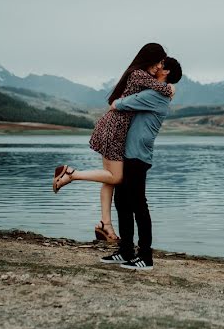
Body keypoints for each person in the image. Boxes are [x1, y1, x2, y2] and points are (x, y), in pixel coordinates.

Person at [53, 43, 174, 243]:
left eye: (162, 63)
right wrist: (171, 87)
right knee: (116, 178)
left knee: (108, 178)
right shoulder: (138, 74)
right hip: (115, 129)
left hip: (113, 126)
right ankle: (71, 174)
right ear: (150, 58)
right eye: (159, 61)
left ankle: (105, 226)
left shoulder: (137, 74)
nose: (160, 66)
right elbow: (162, 88)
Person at [100, 56, 182, 270]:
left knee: (138, 205)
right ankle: (126, 251)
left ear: (166, 72)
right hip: (130, 155)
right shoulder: (159, 92)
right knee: (123, 202)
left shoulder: (155, 95)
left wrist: (116, 103)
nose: (156, 66)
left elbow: (121, 104)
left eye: (161, 64)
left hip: (138, 156)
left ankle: (145, 256)